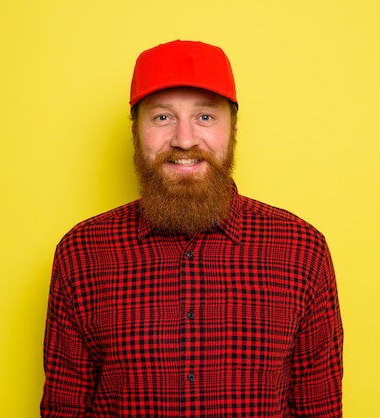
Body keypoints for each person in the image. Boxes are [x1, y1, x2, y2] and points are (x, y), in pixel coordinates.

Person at [41, 39, 343, 417]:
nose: (184, 140)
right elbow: (63, 408)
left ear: (233, 129)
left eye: (205, 117)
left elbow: (319, 409)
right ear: (136, 131)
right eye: (162, 117)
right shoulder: (82, 252)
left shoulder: (302, 251)